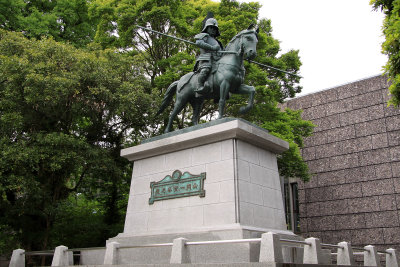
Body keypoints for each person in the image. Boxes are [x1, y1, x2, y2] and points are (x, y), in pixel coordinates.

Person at [194, 17, 224, 96]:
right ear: (207, 28)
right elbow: (199, 43)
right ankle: (199, 86)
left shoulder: (218, 42)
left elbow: (223, 52)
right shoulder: (204, 36)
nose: (213, 29)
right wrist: (212, 48)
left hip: (217, 60)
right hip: (206, 58)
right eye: (211, 27)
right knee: (206, 69)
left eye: (215, 28)